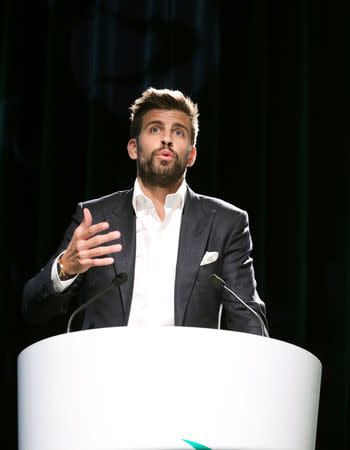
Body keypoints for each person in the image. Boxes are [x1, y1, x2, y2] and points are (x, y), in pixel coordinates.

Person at [22, 87, 268, 335]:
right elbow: (33, 308)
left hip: (192, 371)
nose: (167, 139)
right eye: (155, 129)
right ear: (133, 148)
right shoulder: (95, 218)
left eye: (178, 132)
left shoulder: (226, 223)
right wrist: (65, 267)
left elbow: (248, 321)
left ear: (191, 155)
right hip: (106, 369)